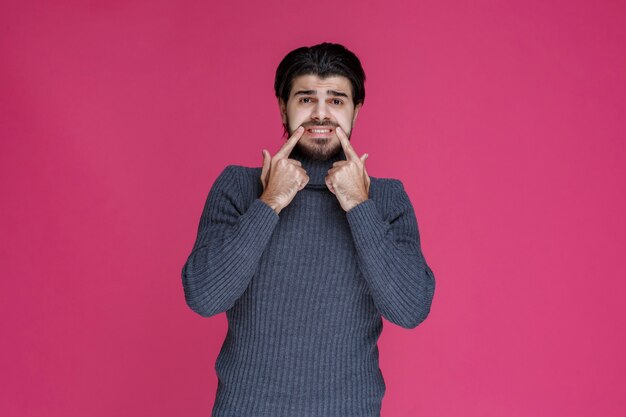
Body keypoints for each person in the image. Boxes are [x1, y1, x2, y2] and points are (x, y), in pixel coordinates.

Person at [181, 42, 436, 417]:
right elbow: (204, 297)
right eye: (305, 99)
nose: (321, 113)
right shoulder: (239, 187)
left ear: (356, 111)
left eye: (336, 100)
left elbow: (410, 309)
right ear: (283, 106)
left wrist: (359, 206)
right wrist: (268, 204)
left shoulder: (385, 198)